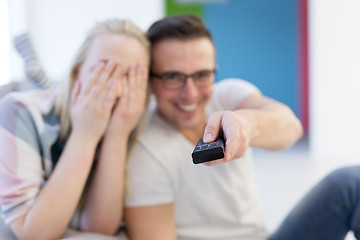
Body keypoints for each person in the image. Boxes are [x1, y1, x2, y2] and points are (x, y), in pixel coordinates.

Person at [123, 15, 360, 240]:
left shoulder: (227, 96)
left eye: (203, 75)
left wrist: (248, 123)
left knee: (351, 182)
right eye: (173, 77)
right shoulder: (144, 149)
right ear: (149, 80)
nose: (190, 93)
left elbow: (291, 127)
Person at [0, 18, 150, 240]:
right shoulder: (19, 110)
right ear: (76, 72)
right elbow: (34, 233)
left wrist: (116, 137)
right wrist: (85, 135)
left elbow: (99, 229)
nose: (116, 86)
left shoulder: (135, 123)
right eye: (104, 70)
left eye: (131, 76)